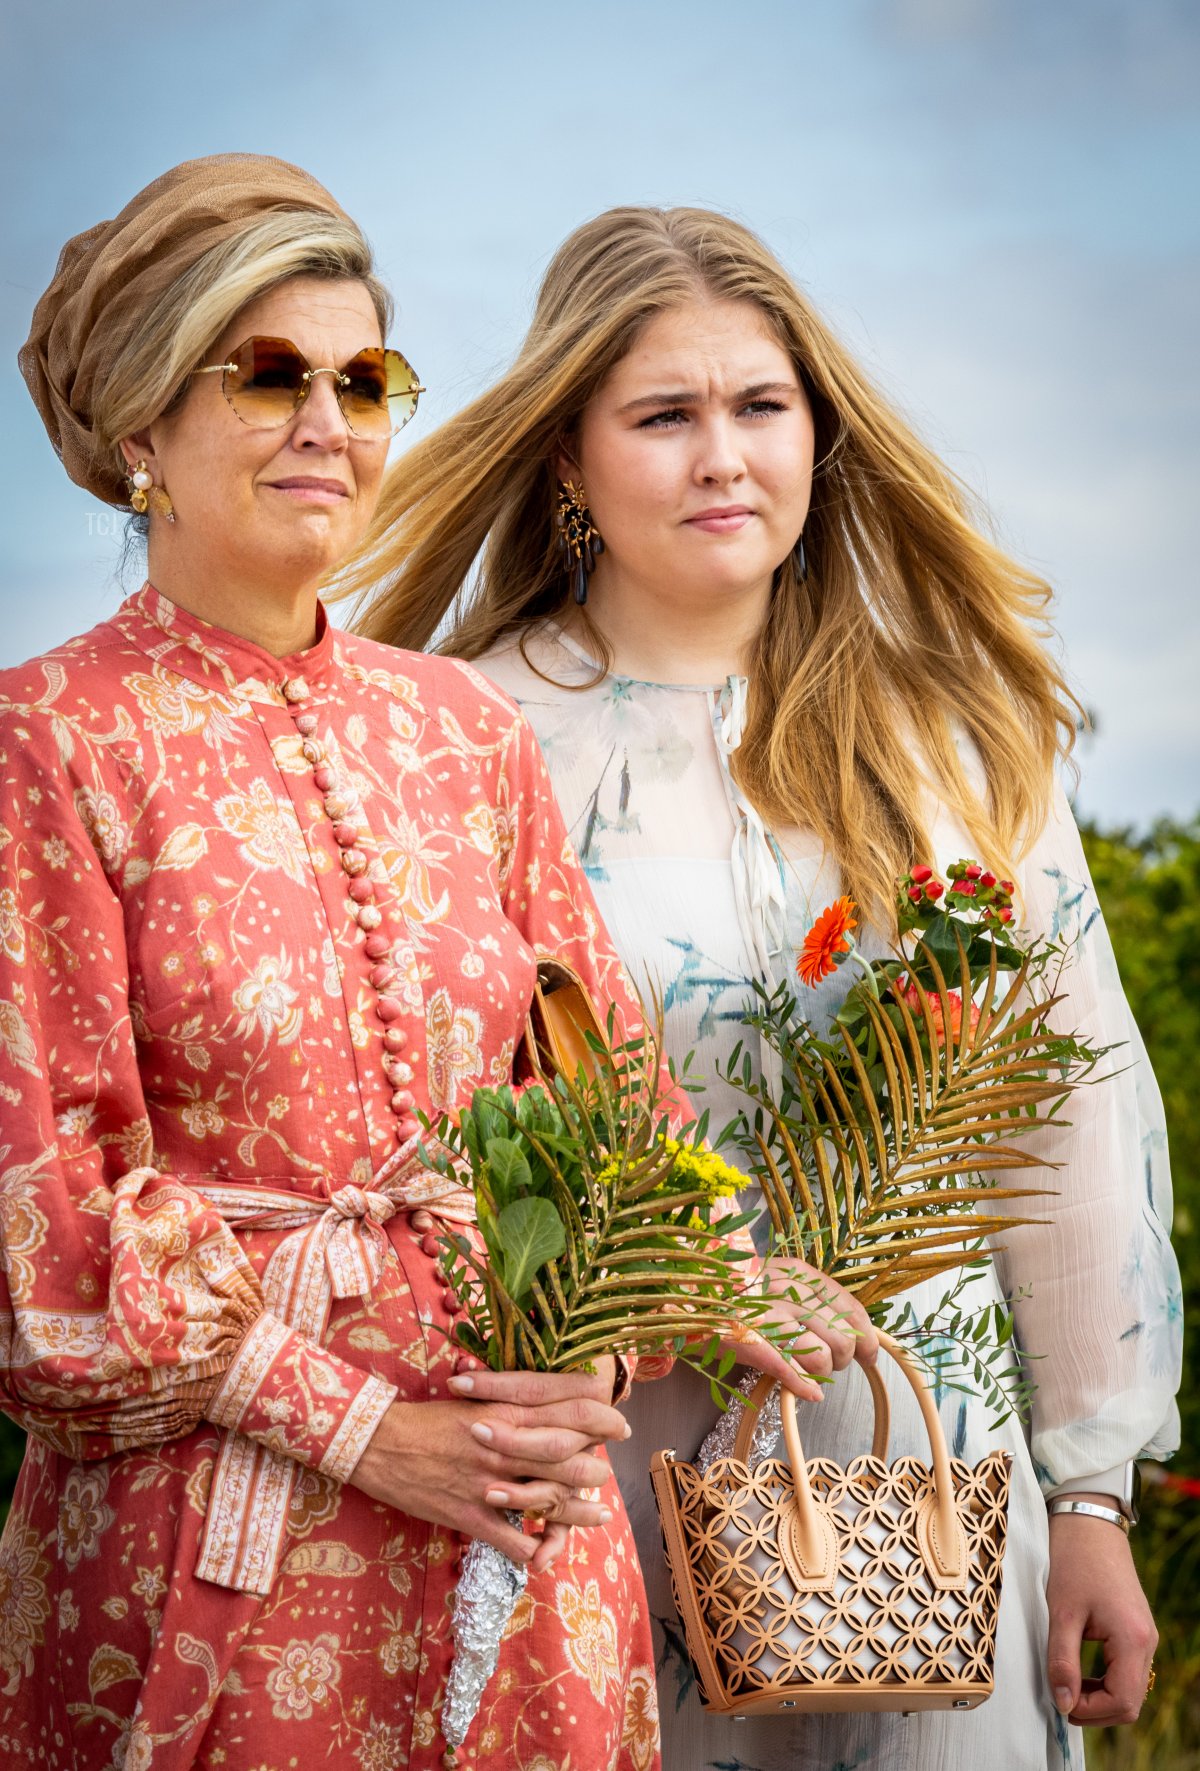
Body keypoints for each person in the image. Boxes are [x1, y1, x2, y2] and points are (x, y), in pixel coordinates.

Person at [344, 205, 1183, 1771]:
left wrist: (1090, 1499)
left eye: (762, 406)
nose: (724, 455)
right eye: (665, 415)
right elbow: (404, 1120)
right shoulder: (451, 735)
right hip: (606, 1465)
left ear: (820, 433)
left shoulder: (959, 735)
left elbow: (1071, 1127)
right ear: (566, 460)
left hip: (928, 1463)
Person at [0, 163, 811, 1771]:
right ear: (138, 433)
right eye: (270, 375)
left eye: (362, 379)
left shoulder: (465, 732)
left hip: (523, 1544)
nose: (328, 420)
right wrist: (374, 1433)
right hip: (221, 1558)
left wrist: (688, 1295)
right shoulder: (49, 739)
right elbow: (48, 1228)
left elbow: (610, 1111)